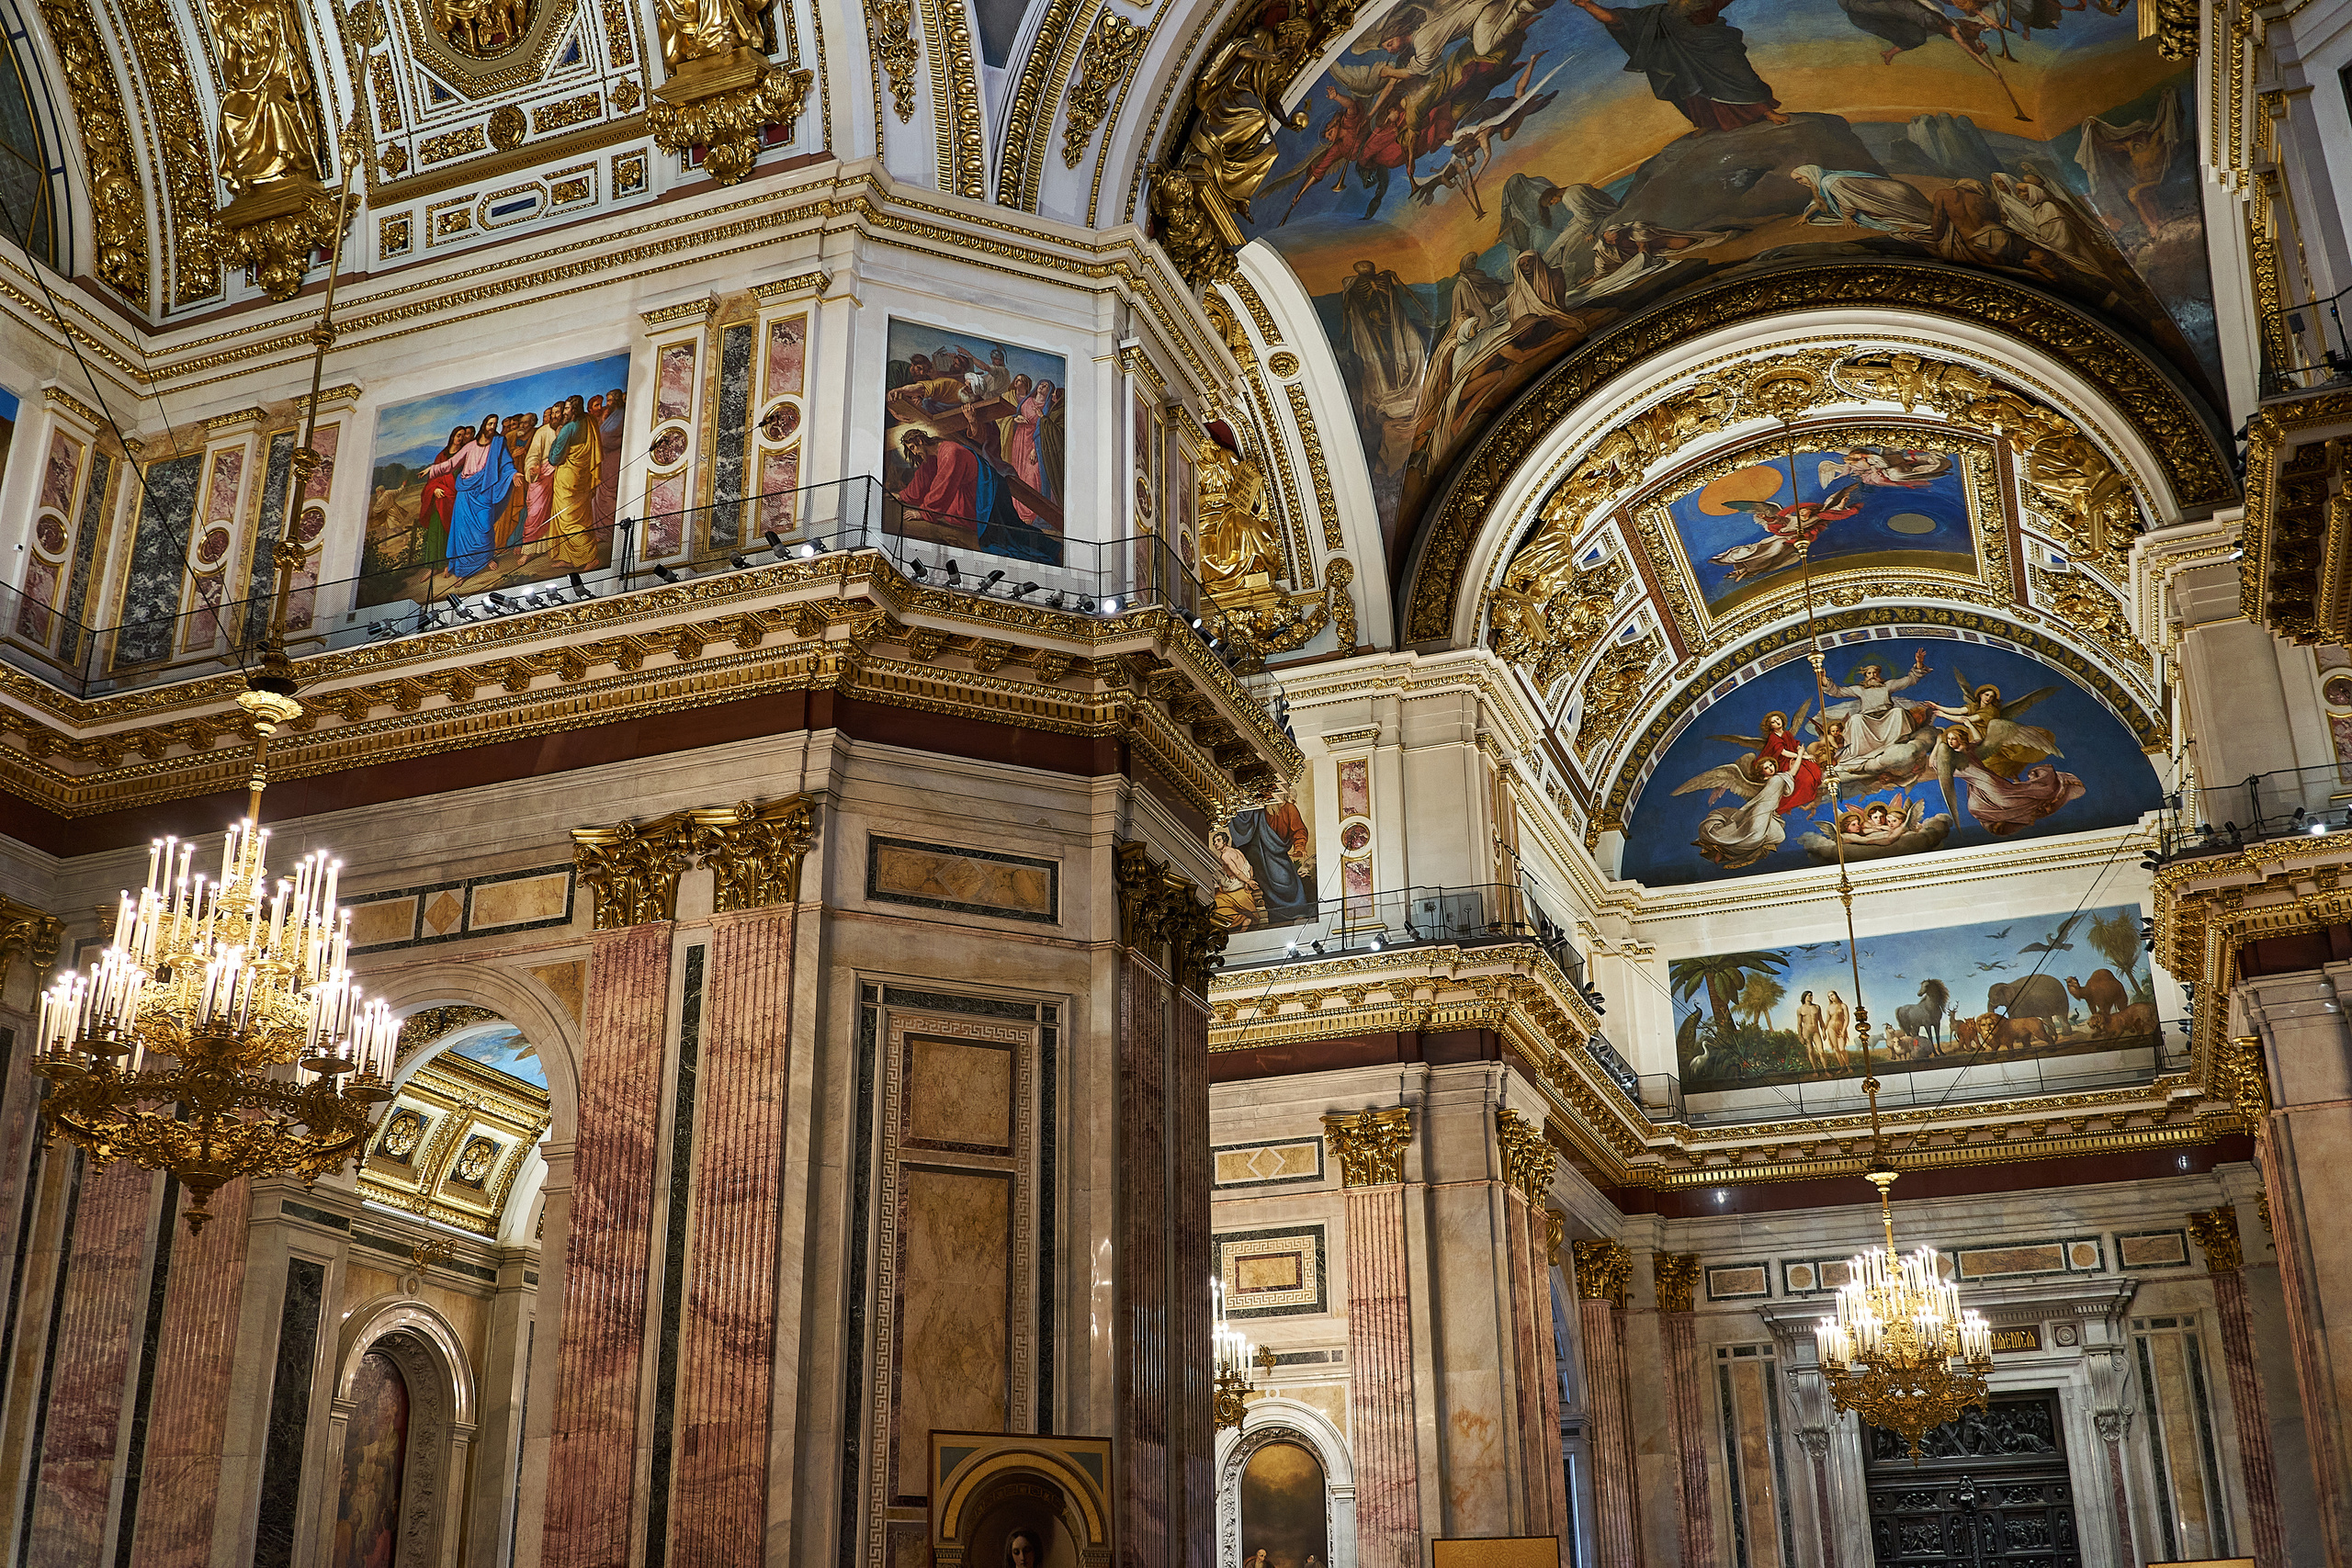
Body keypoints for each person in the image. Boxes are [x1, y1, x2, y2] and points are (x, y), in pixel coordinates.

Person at [1567, 0, 1787, 132]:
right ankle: (1708, 122)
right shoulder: (1660, 15)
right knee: (1685, 83)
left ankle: (1765, 112)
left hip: (1714, 41)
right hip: (1681, 52)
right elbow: (1617, 20)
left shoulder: (1703, 6)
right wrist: (1589, 5)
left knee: (1738, 74)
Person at [423, 415, 517, 580]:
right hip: (465, 492)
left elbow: (507, 463)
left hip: (484, 490)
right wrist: (432, 470)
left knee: (485, 526)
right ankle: (463, 569)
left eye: (495, 424)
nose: (492, 427)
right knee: (462, 532)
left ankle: (486, 558)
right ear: (483, 425)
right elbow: (451, 464)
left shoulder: (498, 444)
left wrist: (514, 474)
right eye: (489, 424)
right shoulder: (470, 446)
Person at [1816, 649, 1931, 763]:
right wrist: (1824, 680)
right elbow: (1838, 692)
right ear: (1865, 676)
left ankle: (1899, 742)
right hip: (1868, 718)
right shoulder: (1860, 689)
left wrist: (1919, 663)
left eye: (1875, 673)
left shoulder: (1887, 686)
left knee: (1898, 712)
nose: (1873, 676)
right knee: (1856, 719)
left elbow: (1909, 680)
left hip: (1887, 715)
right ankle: (1858, 752)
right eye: (1870, 673)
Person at [546, 396, 605, 570]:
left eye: (567, 408)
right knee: (582, 516)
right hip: (583, 476)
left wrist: (556, 438)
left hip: (568, 479)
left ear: (574, 410)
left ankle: (589, 557)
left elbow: (555, 458)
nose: (564, 411)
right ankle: (569, 557)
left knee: (568, 520)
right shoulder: (590, 421)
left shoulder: (568, 428)